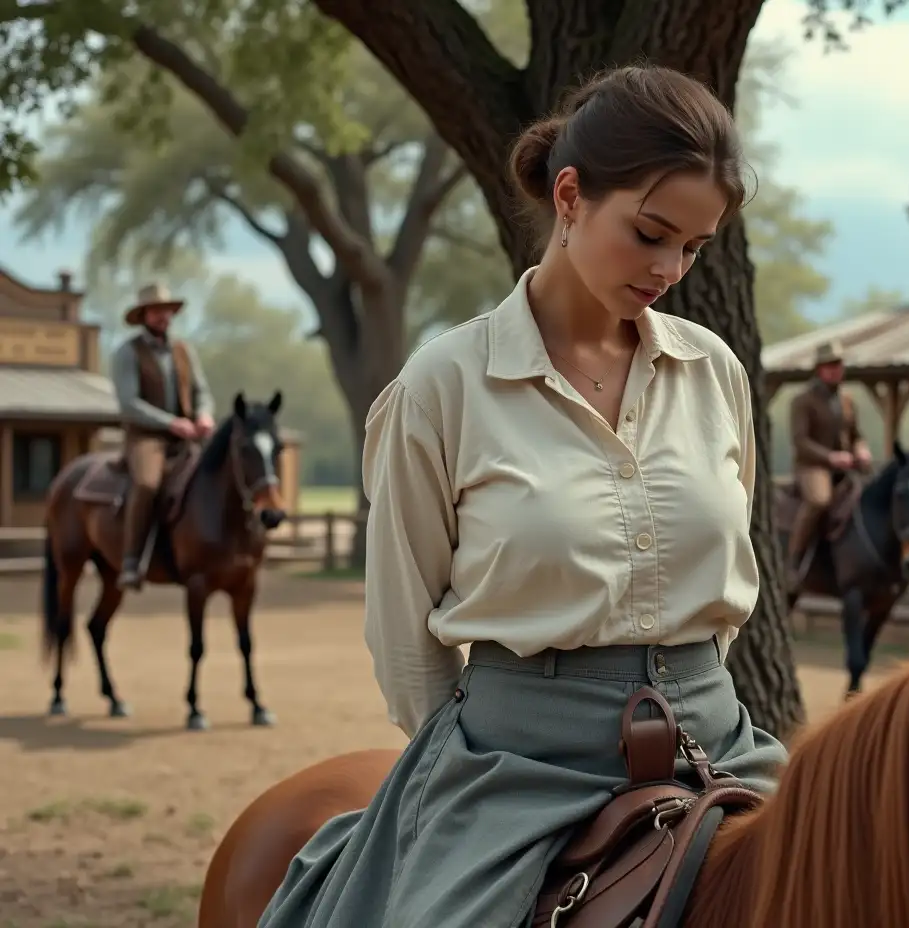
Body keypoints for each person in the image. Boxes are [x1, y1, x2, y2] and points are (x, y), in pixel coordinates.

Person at [256, 65, 788, 928]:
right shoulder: (442, 387)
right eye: (651, 233)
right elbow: (405, 636)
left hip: (716, 744)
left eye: (693, 248)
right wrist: (468, 767)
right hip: (516, 766)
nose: (669, 269)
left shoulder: (715, 373)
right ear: (570, 196)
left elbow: (723, 587)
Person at [110, 282, 215, 590]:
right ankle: (131, 560)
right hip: (146, 437)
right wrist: (171, 423)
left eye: (166, 310)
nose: (163, 316)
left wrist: (204, 414)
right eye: (156, 311)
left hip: (186, 436)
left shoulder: (184, 350)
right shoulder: (127, 352)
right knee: (146, 484)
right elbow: (129, 404)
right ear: (143, 315)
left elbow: (202, 391)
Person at [785, 339, 872, 584]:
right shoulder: (802, 400)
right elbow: (800, 441)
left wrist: (862, 450)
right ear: (819, 369)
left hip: (846, 465)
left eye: (839, 364)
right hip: (812, 466)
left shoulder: (847, 399)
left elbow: (856, 435)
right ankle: (794, 559)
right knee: (819, 500)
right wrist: (831, 457)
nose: (835, 369)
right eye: (830, 365)